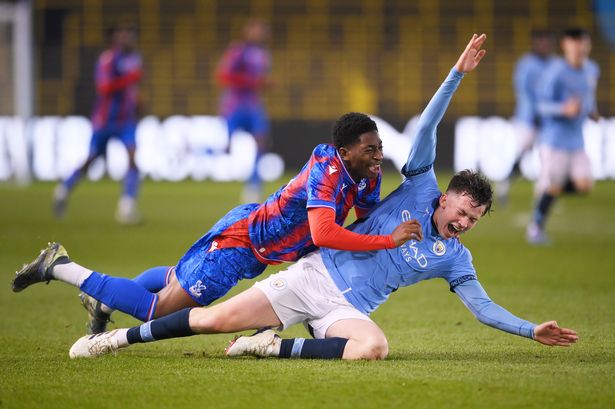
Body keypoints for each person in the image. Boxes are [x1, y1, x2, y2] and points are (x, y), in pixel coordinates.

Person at [64, 34, 578, 360]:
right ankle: (112, 340)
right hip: (314, 271)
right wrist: (455, 75)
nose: (465, 223)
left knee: (372, 347)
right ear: (445, 198)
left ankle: (268, 348)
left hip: (344, 308)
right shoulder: (419, 183)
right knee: (206, 318)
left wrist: (531, 330)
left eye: (475, 219)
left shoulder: (456, 260)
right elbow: (427, 127)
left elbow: (483, 308)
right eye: (463, 211)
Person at [13, 113, 421, 333]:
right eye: (370, 149)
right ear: (344, 151)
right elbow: (324, 233)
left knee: (177, 277)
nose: (378, 154)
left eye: (380, 147)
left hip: (252, 244)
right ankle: (61, 267)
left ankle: (103, 301)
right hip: (239, 245)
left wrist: (410, 206)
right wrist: (389, 241)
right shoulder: (327, 168)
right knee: (159, 311)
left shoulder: (367, 174)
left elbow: (364, 220)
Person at [53, 24, 143, 224]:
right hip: (105, 120)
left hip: (125, 120)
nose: (128, 38)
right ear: (115, 39)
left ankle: (126, 207)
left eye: (129, 34)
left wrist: (136, 102)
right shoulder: (108, 59)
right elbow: (104, 87)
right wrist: (128, 79)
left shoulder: (134, 58)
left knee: (133, 158)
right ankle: (63, 189)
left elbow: (131, 88)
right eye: (123, 34)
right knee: (91, 160)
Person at [526, 28, 600, 245]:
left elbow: (588, 95)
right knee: (554, 185)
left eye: (583, 43)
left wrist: (592, 111)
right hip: (554, 141)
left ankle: (548, 188)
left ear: (588, 45)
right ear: (565, 46)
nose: (579, 48)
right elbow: (540, 106)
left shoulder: (592, 69)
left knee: (584, 185)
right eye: (575, 43)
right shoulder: (555, 72)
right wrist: (562, 109)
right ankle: (536, 227)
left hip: (577, 141)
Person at [496, 30, 555, 204]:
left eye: (547, 41)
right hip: (527, 119)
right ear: (535, 43)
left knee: (548, 157)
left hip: (548, 120)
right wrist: (535, 112)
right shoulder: (527, 64)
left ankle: (543, 196)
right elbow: (523, 92)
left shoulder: (555, 64)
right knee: (522, 157)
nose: (545, 45)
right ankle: (503, 185)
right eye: (541, 41)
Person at [216, 19, 272, 203]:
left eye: (261, 30)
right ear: (247, 32)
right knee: (228, 144)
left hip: (253, 104)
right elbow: (224, 75)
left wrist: (265, 84)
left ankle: (253, 186)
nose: (259, 33)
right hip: (235, 104)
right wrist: (253, 82)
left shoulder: (264, 54)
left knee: (261, 142)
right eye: (255, 29)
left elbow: (260, 80)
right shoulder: (238, 50)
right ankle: (220, 169)